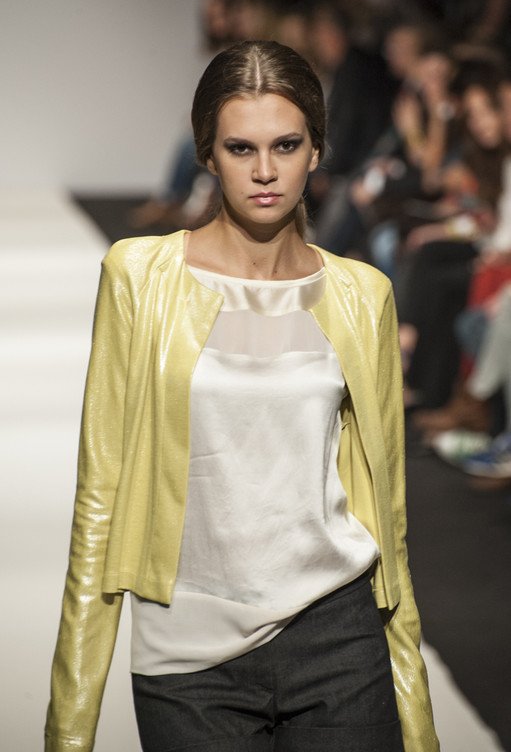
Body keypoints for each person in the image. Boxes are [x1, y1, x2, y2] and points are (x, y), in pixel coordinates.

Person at [45, 40, 438, 752]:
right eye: (240, 148)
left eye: (285, 145)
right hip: (187, 652)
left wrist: (416, 707)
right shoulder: (140, 277)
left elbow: (388, 511)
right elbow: (99, 494)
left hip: (339, 635)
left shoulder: (362, 295)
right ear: (208, 153)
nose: (264, 171)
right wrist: (70, 725)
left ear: (316, 151)